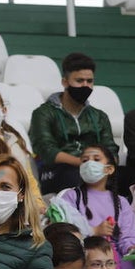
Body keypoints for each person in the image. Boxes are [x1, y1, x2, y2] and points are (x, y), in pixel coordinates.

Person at [29, 52, 117, 195]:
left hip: (96, 168)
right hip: (56, 171)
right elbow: (46, 149)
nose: (85, 85)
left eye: (89, 81)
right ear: (65, 82)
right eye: (79, 81)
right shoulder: (43, 113)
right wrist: (83, 163)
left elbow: (110, 148)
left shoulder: (99, 116)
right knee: (74, 177)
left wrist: (105, 165)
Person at [57, 145, 135, 269]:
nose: (89, 163)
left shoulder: (120, 202)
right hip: (84, 256)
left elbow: (128, 236)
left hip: (115, 258)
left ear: (109, 169)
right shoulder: (71, 197)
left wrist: (133, 248)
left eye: (96, 159)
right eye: (84, 160)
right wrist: (94, 231)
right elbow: (64, 231)